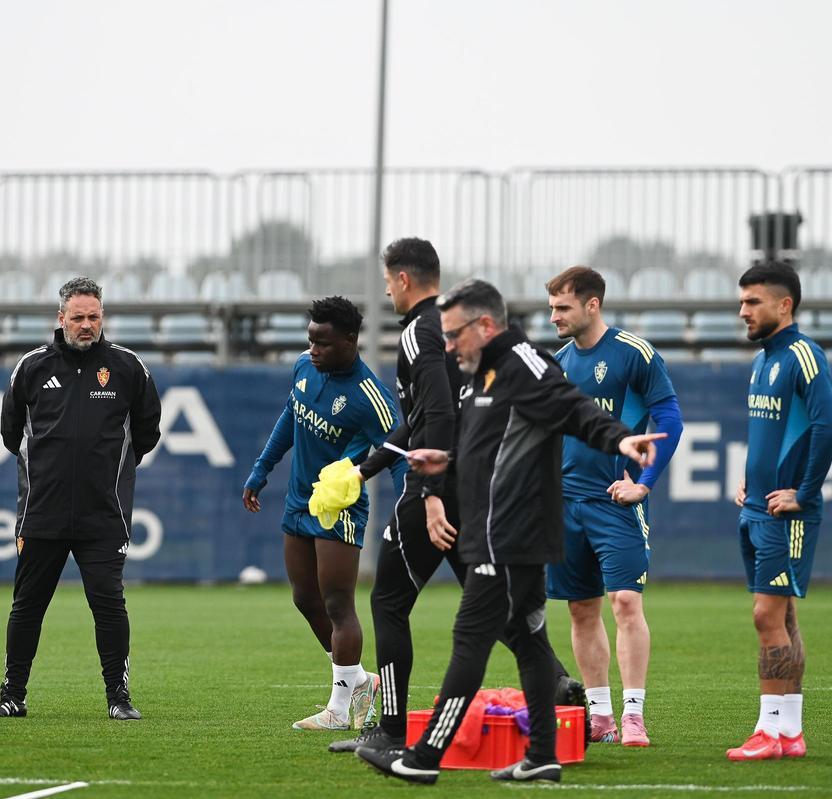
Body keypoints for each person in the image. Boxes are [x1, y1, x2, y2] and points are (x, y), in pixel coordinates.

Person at [356, 279, 663, 785]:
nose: (448, 346)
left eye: (455, 335)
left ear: (485, 325)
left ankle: (424, 757)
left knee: (469, 639)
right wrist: (445, 462)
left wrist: (621, 439)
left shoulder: (525, 362)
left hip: (509, 533)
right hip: (503, 530)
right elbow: (491, 446)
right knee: (527, 638)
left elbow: (573, 407)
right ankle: (542, 753)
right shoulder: (484, 370)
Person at [330, 239, 584, 755]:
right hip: (475, 488)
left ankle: (394, 730)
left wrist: (427, 493)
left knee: (388, 602)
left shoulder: (419, 333)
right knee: (499, 605)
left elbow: (439, 415)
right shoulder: (447, 330)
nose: (384, 289)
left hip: (441, 491)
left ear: (402, 279)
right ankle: (557, 686)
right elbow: (424, 416)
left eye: (386, 279)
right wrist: (365, 468)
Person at [0, 276, 162, 721]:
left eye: (93, 317)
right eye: (77, 317)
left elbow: (146, 433)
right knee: (27, 606)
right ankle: (12, 694)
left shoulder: (127, 368)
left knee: (109, 604)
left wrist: (107, 472)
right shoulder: (32, 367)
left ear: (103, 318)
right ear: (60, 319)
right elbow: (10, 434)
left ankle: (119, 697)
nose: (85, 325)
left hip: (104, 513)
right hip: (43, 511)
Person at [243, 296, 406, 731]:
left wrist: (411, 502)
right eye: (310, 340)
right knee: (304, 598)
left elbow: (400, 450)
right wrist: (261, 469)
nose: (313, 350)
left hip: (340, 509)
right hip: (299, 501)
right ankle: (358, 681)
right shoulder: (303, 366)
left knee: (338, 604)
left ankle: (338, 708)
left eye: (323, 343)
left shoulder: (369, 395)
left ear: (351, 341)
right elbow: (290, 417)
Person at [544, 266, 685, 747]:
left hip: (614, 503)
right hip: (564, 504)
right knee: (581, 609)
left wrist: (644, 484)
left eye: (562, 307)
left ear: (592, 304)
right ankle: (600, 716)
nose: (554, 317)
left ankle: (633, 715)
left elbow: (669, 418)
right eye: (551, 308)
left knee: (625, 603)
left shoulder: (635, 354)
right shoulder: (556, 362)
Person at [727, 260, 832, 761]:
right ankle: (790, 733)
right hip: (757, 507)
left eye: (753, 302)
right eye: (742, 301)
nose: (743, 310)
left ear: (784, 304)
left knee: (765, 616)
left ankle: (768, 731)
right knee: (783, 616)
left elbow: (826, 426)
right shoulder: (763, 360)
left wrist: (805, 493)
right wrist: (753, 480)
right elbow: (772, 431)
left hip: (784, 515)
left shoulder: (803, 354)